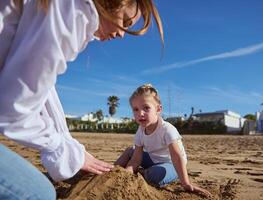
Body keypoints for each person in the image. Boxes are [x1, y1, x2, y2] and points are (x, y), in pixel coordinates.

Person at [0, 0, 163, 199]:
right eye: (126, 22)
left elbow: (42, 94)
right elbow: (12, 110)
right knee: (39, 193)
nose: (122, 34)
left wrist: (72, 150)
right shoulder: (72, 14)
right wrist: (66, 153)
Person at [115, 84, 213, 198]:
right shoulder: (140, 131)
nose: (140, 113)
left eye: (146, 108)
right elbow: (136, 159)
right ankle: (112, 171)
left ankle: (146, 173)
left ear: (158, 109)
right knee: (130, 151)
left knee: (154, 175)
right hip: (154, 159)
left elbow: (177, 157)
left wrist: (186, 183)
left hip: (172, 164)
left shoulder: (167, 129)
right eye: (136, 109)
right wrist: (127, 172)